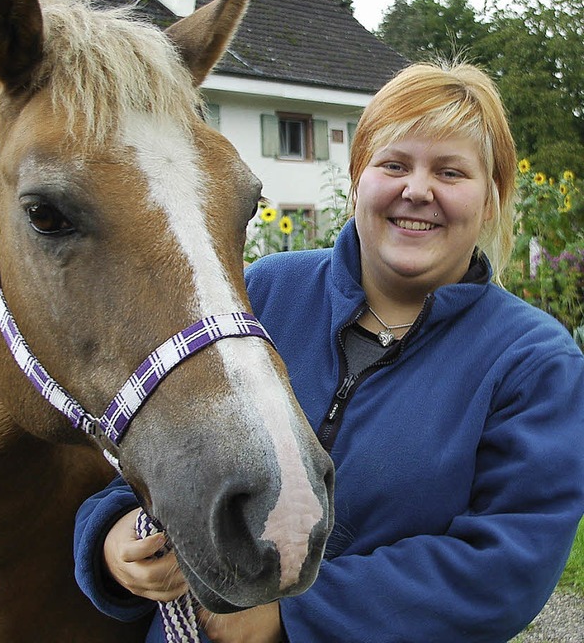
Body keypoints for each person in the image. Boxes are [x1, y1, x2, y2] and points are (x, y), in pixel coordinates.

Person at [74, 61, 584, 642]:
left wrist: (291, 616)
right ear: (356, 180)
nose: (417, 190)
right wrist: (111, 536)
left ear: (491, 199)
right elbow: (153, 440)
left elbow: (506, 562)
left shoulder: (533, 361)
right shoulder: (261, 291)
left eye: (450, 172)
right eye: (394, 164)